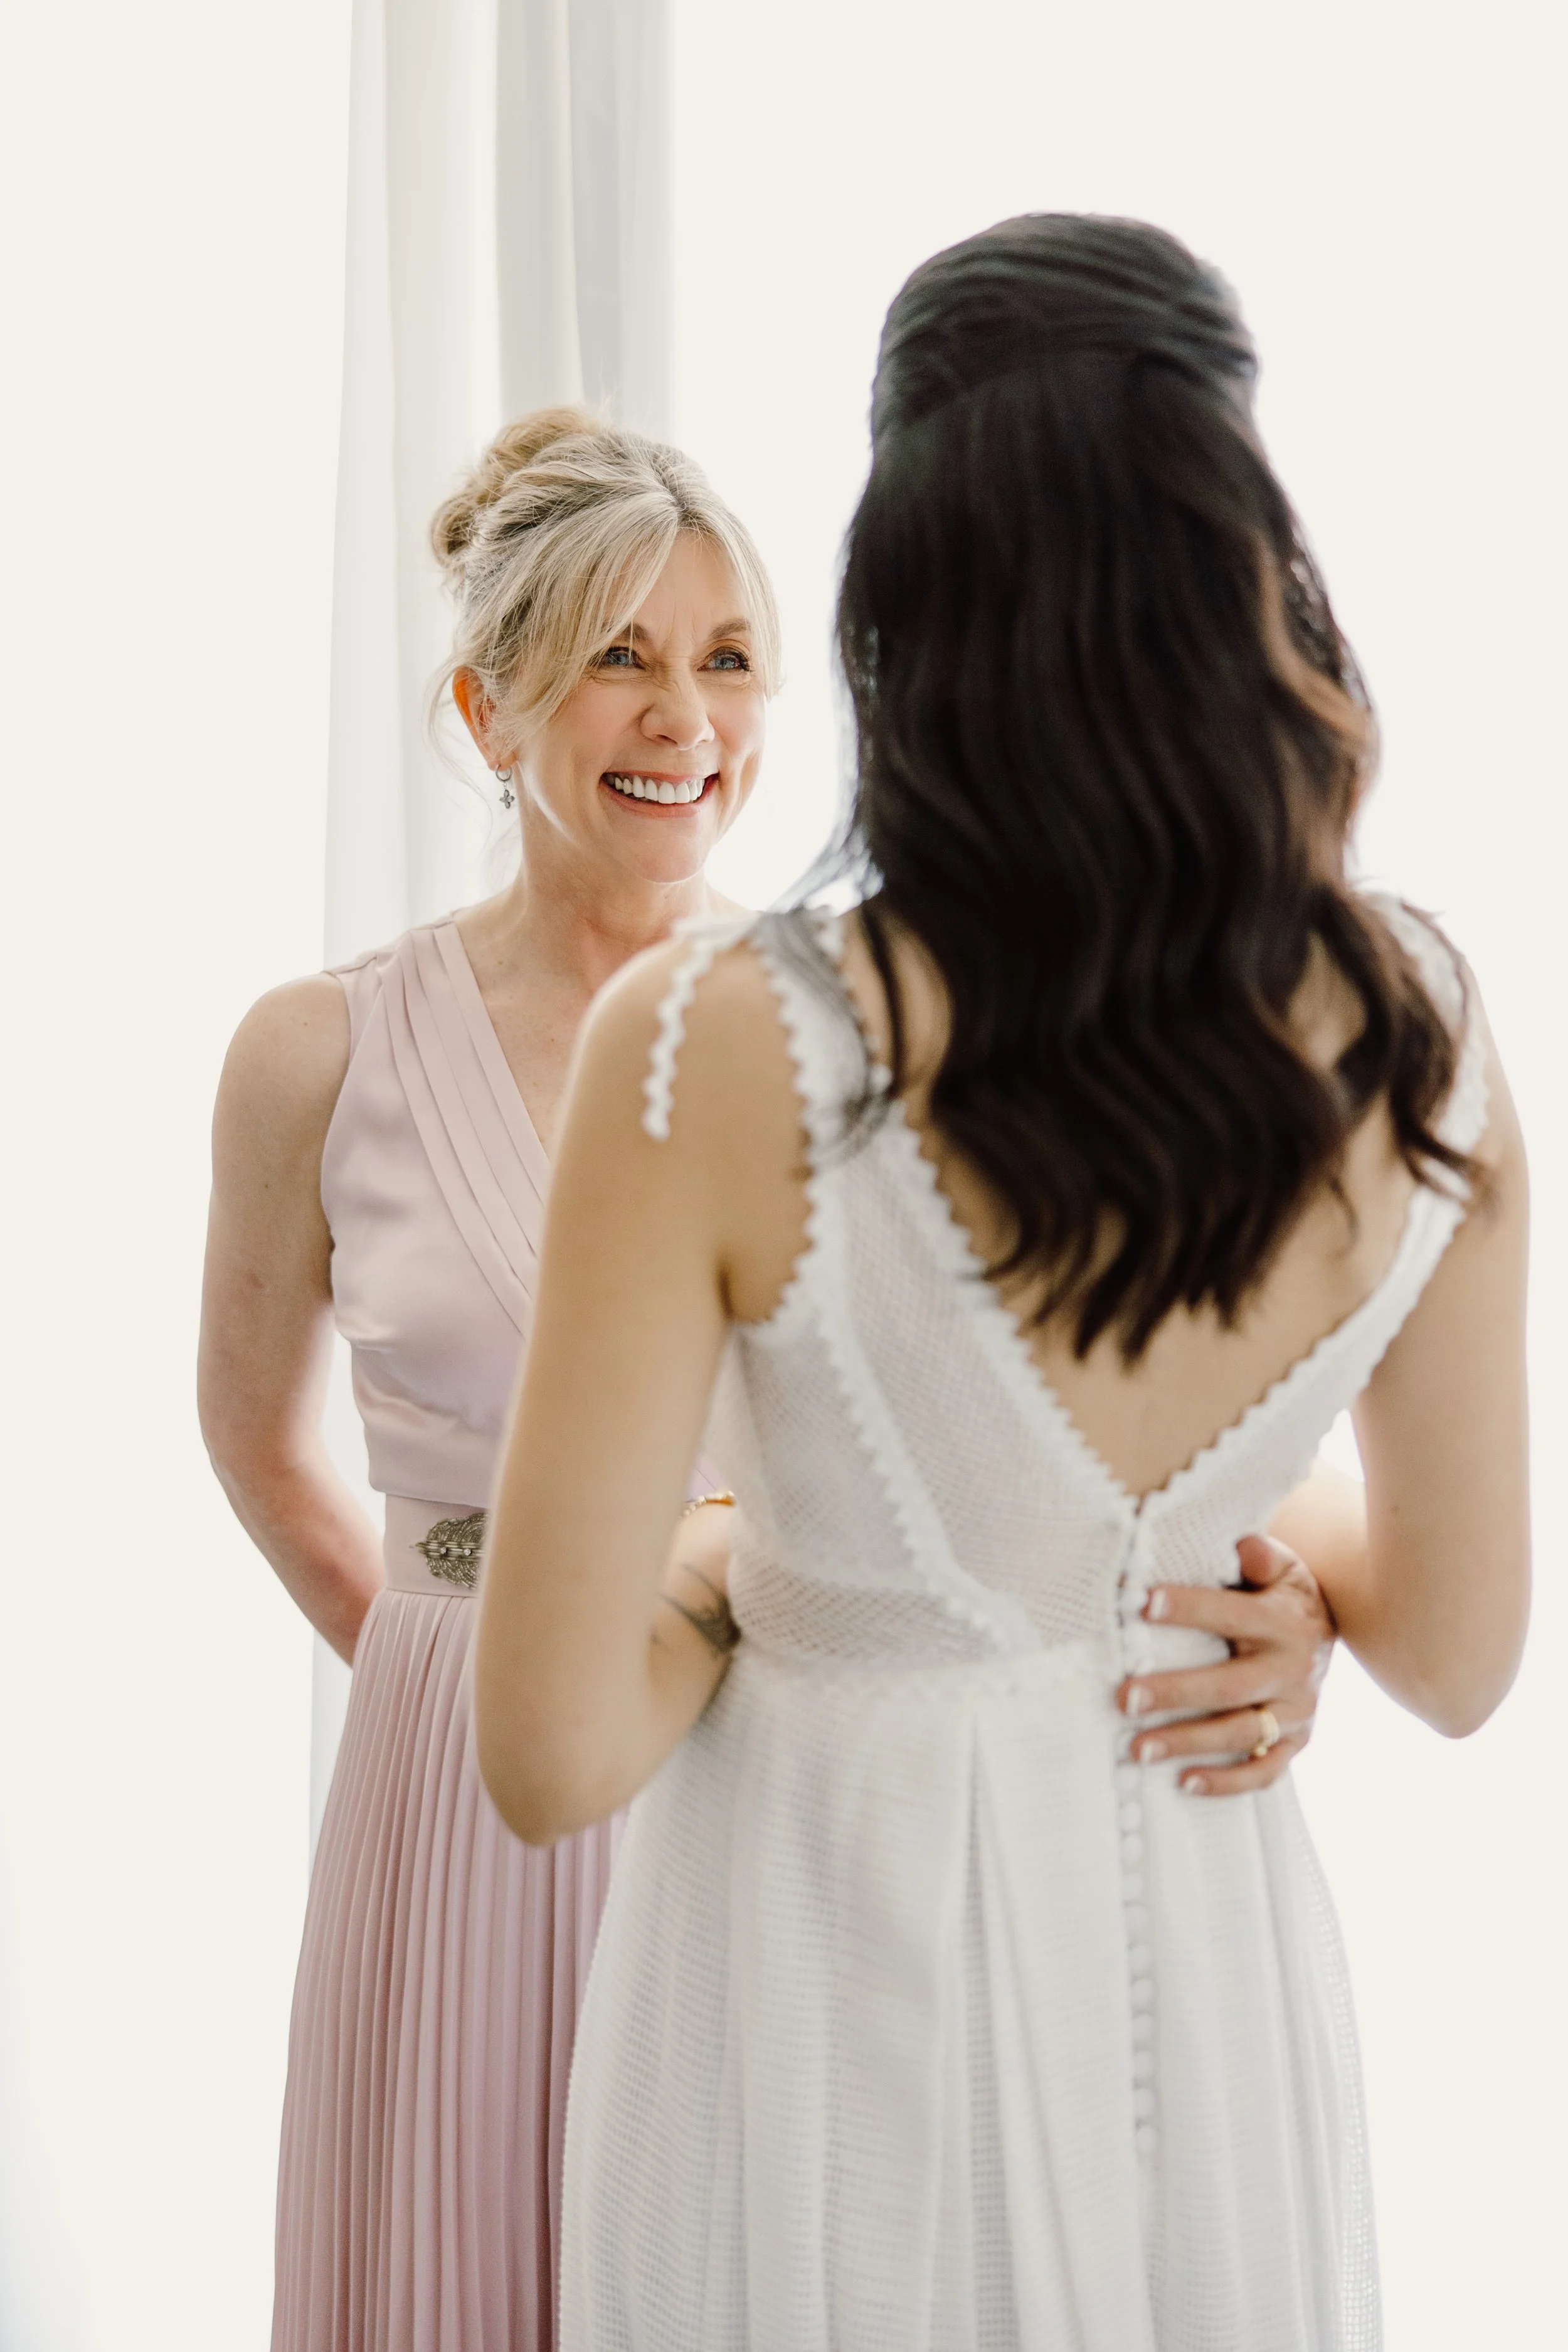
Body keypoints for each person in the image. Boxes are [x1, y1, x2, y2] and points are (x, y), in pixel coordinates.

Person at [472, 219, 1530, 2351]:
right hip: (1198, 1981)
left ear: (896, 590)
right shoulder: (1414, 1017)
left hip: (819, 1994)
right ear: (1244, 553)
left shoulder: (710, 1047)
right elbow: (1457, 1645)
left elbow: (552, 1746)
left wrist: (751, 1557)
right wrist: (1243, 1570)